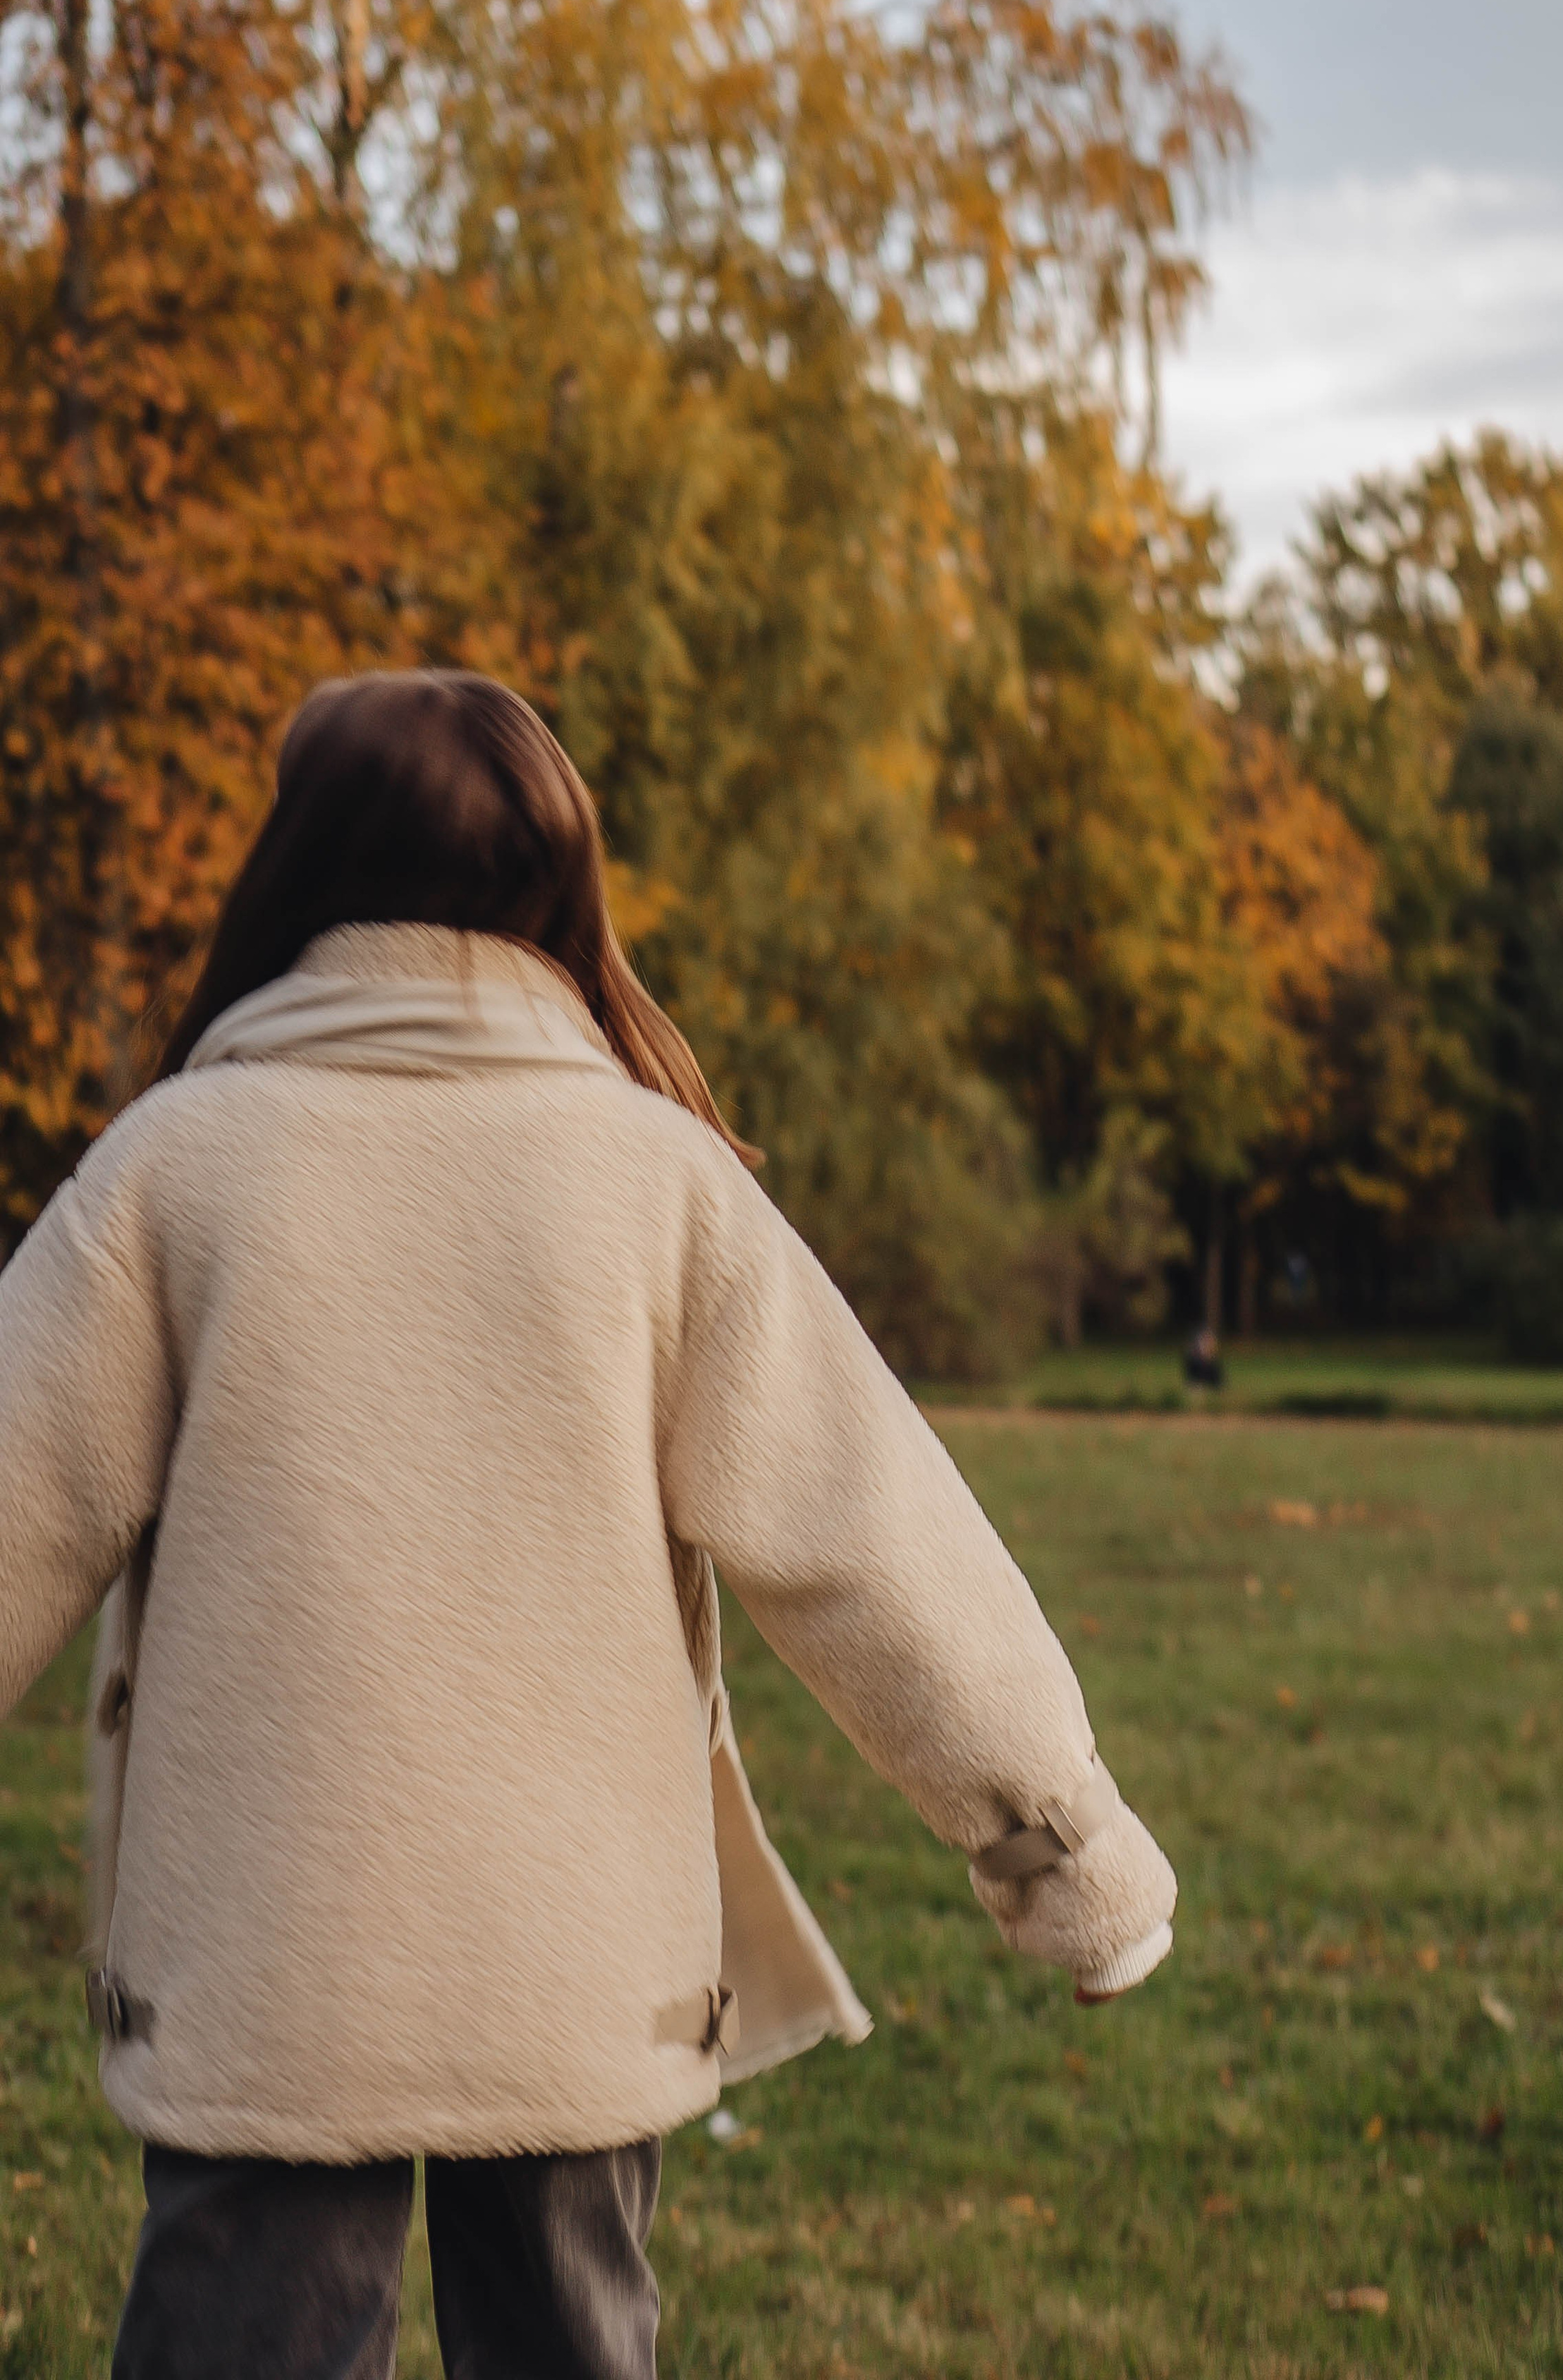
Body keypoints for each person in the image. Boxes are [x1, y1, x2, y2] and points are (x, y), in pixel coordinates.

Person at [0, 672, 1176, 2380]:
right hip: (574, 1953)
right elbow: (875, 1542)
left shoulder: (174, 1169)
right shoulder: (659, 1182)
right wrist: (1065, 1851)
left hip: (270, 1956)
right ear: (560, 882)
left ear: (293, 868)